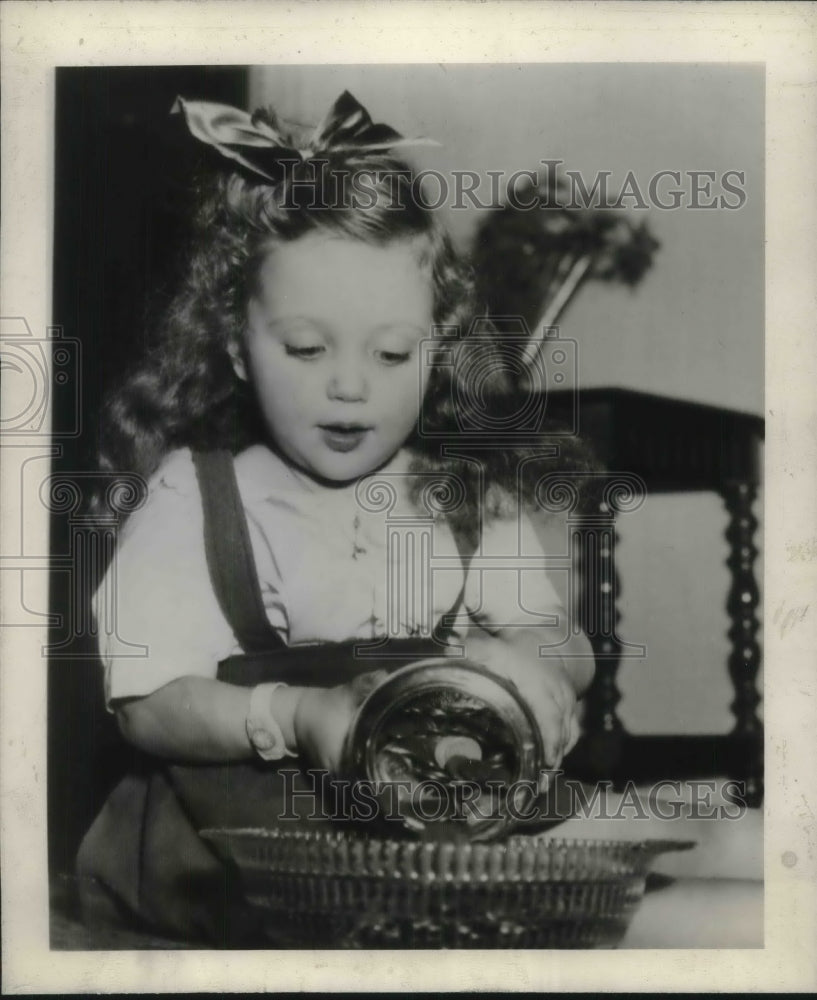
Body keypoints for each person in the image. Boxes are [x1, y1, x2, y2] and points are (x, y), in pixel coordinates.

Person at [76, 91, 596, 945]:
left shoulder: (464, 498)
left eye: (391, 353)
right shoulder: (194, 499)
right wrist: (293, 717)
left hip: (421, 859)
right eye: (307, 348)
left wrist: (537, 667)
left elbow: (558, 638)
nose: (349, 385)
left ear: (438, 347)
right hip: (219, 874)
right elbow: (148, 701)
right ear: (237, 347)